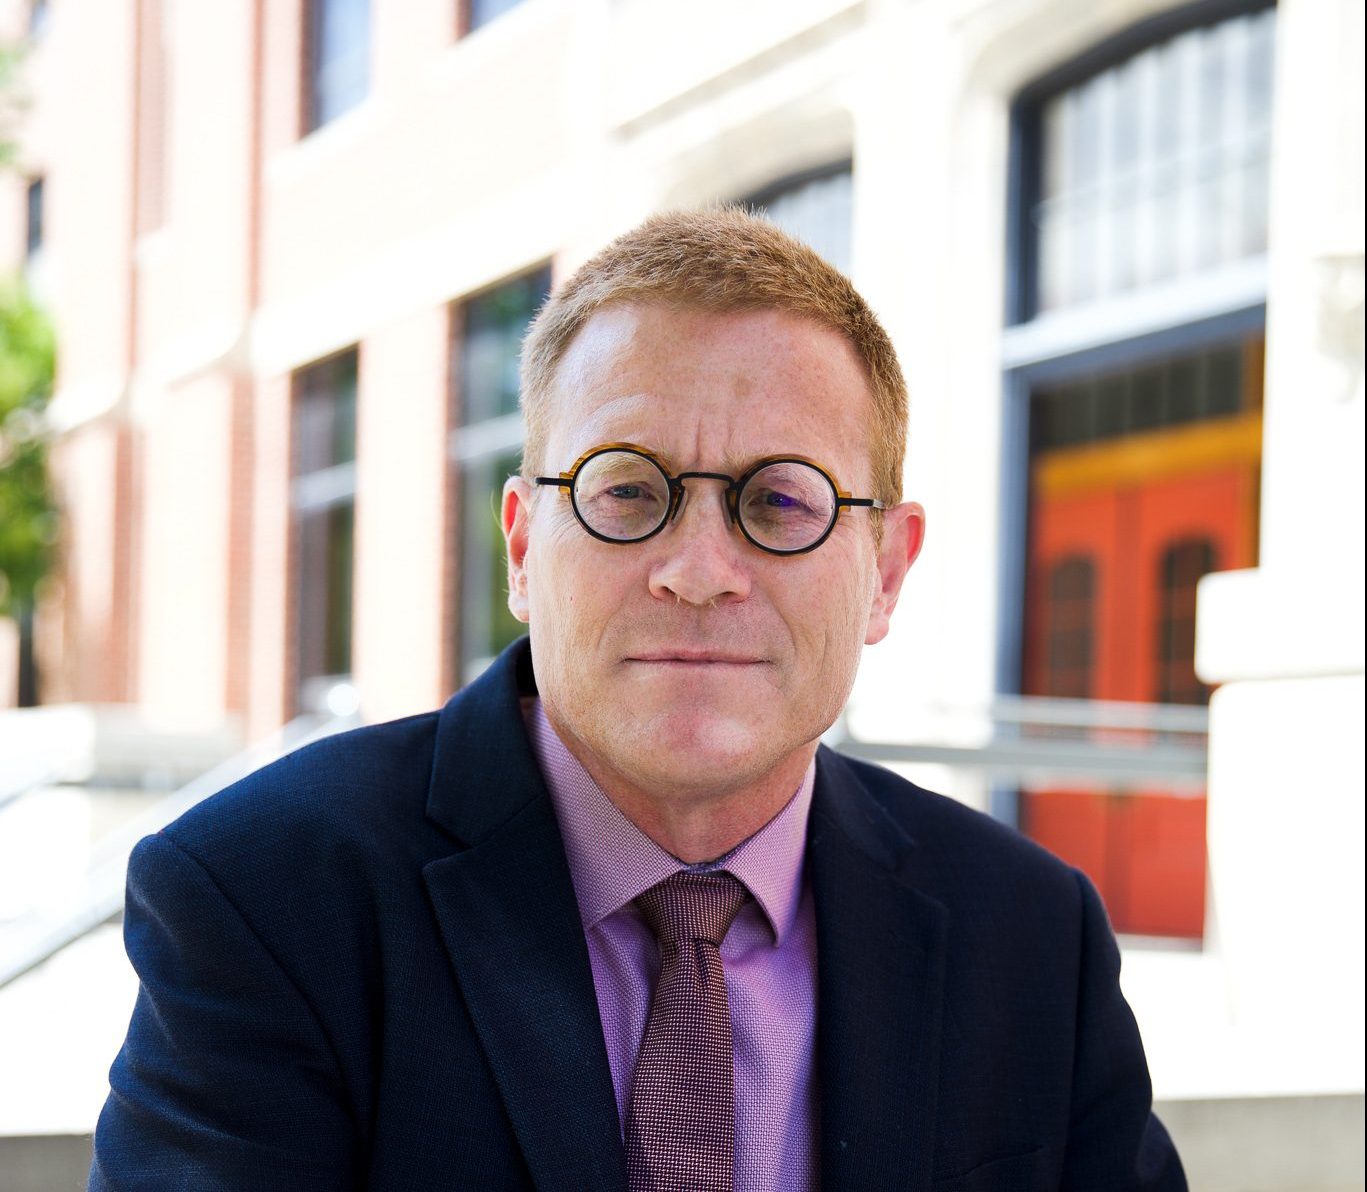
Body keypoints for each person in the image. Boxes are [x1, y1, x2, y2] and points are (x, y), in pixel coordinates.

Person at [90, 209, 1186, 1190]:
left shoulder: (1033, 936)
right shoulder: (260, 900)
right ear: (523, 548)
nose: (698, 568)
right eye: (625, 489)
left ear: (885, 572)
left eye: (778, 498)